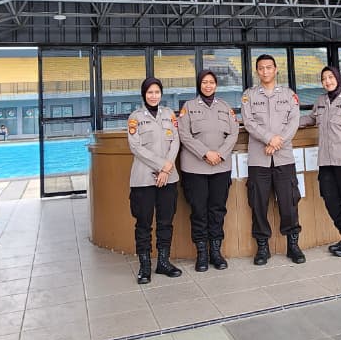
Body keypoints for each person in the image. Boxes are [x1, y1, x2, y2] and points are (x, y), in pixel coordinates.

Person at [240, 54, 305, 265]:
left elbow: (293, 122)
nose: (265, 71)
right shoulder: (249, 96)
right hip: (259, 160)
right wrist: (269, 138)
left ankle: (293, 245)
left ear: (276, 69)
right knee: (258, 204)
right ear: (257, 71)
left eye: (269, 67)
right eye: (261, 68)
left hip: (283, 158)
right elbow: (249, 123)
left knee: (289, 202)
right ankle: (262, 247)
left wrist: (277, 143)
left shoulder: (289, 95)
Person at [300, 66, 341, 257]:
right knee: (330, 200)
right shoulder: (321, 101)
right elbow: (310, 119)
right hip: (326, 162)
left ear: (338, 78)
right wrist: (285, 123)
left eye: (330, 77)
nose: (327, 81)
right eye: (324, 79)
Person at [178, 70, 239, 272]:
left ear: (216, 85)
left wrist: (220, 154)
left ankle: (216, 252)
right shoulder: (188, 107)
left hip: (220, 167)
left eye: (211, 82)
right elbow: (184, 135)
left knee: (217, 210)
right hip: (195, 168)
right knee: (199, 211)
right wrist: (205, 153)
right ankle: (202, 254)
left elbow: (234, 133)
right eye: (204, 82)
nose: (208, 85)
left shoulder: (225, 107)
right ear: (199, 84)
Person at [127, 77, 183, 284]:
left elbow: (175, 141)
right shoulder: (135, 117)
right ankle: (144, 267)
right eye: (149, 92)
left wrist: (167, 167)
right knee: (143, 223)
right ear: (144, 94)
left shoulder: (169, 114)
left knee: (165, 221)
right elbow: (136, 147)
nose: (153, 96)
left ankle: (163, 262)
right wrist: (162, 166)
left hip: (168, 177)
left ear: (161, 94)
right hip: (143, 179)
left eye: (157, 92)